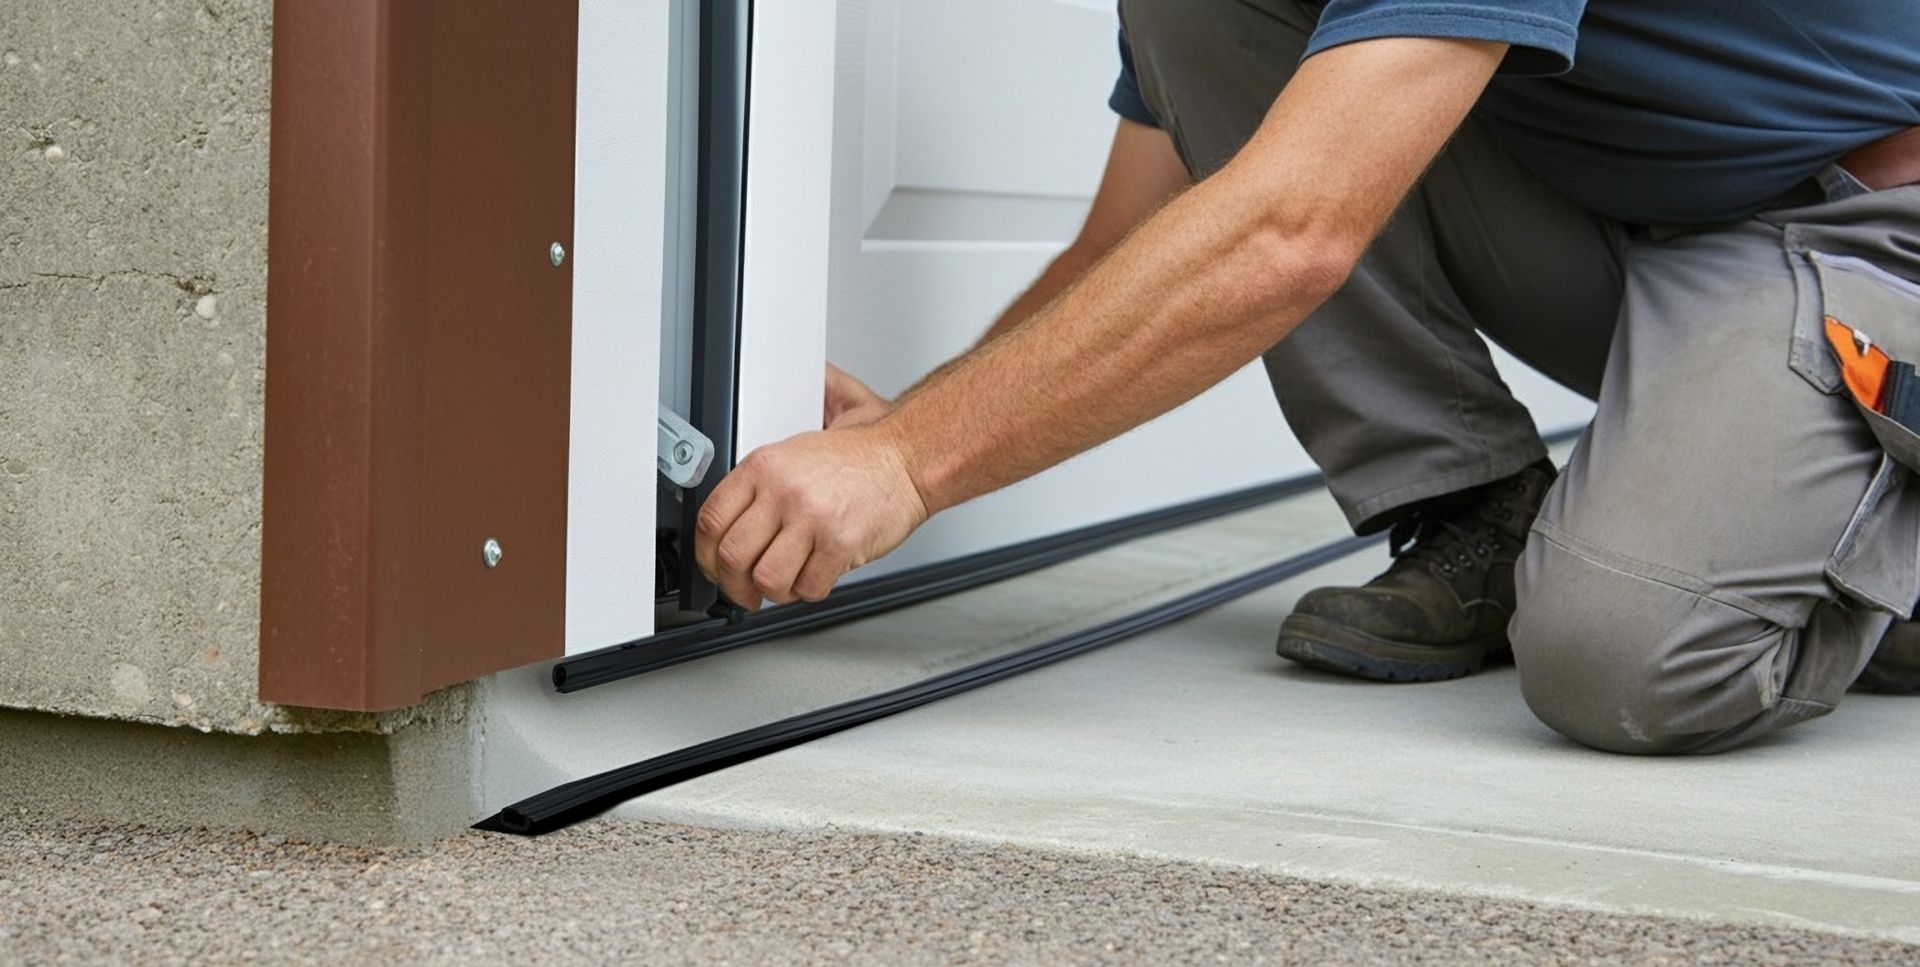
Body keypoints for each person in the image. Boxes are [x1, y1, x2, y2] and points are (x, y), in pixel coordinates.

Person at [693, 0, 1920, 755]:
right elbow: (1139, 234)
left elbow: (1291, 232)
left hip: (1857, 228)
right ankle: (1475, 507)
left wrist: (910, 466)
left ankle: (1874, 554)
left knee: (1625, 662)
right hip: (1643, 227)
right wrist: (902, 420)